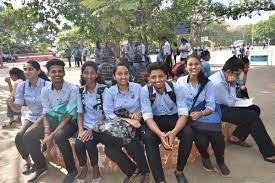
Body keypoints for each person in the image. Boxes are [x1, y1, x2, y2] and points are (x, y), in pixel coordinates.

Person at [209, 57, 275, 163]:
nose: (238, 76)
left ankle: (237, 137)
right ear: (229, 72)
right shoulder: (217, 83)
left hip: (224, 104)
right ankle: (269, 152)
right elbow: (230, 103)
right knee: (252, 116)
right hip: (216, 110)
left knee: (255, 109)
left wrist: (242, 100)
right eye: (237, 74)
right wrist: (232, 85)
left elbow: (231, 99)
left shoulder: (224, 76)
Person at [23, 59, 79, 183]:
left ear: (64, 73)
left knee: (59, 137)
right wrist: (47, 133)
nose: (57, 74)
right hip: (53, 119)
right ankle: (41, 166)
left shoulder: (72, 89)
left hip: (70, 121)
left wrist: (52, 135)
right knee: (27, 136)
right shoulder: (45, 90)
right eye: (53, 72)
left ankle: (72, 170)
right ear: (48, 74)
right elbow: (47, 113)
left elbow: (69, 115)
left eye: (60, 71)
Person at [177, 55, 230, 176]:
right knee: (201, 138)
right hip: (188, 116)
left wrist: (201, 113)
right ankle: (205, 157)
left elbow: (211, 106)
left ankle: (220, 161)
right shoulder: (180, 82)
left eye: (196, 64)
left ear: (200, 66)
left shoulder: (208, 83)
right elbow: (178, 100)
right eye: (190, 64)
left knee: (216, 135)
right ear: (186, 67)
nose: (193, 67)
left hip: (204, 114)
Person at [140, 62, 193, 183]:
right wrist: (160, 134)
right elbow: (147, 117)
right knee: (148, 137)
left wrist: (174, 132)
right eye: (153, 77)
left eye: (161, 76)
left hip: (174, 118)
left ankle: (179, 171)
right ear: (148, 78)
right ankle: (160, 180)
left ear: (166, 76)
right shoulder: (145, 91)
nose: (157, 80)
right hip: (155, 120)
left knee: (188, 133)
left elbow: (184, 113)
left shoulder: (176, 88)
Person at [103, 63, 150, 183]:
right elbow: (109, 114)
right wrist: (128, 121)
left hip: (138, 124)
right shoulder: (110, 92)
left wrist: (139, 112)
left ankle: (145, 171)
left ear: (129, 75)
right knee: (109, 149)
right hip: (118, 125)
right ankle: (132, 170)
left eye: (126, 73)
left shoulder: (138, 88)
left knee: (132, 141)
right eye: (119, 74)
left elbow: (145, 105)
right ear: (114, 77)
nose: (123, 76)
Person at [6, 61, 50, 175]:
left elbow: (50, 109)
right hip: (30, 117)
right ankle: (28, 162)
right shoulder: (22, 85)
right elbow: (17, 109)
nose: (27, 72)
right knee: (19, 137)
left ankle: (41, 165)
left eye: (30, 69)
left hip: (45, 117)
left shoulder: (46, 85)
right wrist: (11, 104)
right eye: (25, 69)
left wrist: (37, 125)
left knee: (28, 137)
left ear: (38, 71)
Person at [75, 62, 106, 183]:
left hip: (100, 126)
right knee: (78, 143)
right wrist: (81, 130)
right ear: (82, 74)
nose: (89, 75)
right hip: (86, 125)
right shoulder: (80, 91)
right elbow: (80, 113)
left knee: (89, 142)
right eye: (86, 73)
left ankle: (95, 168)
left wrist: (91, 130)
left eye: (92, 73)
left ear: (96, 74)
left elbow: (105, 113)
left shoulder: (103, 89)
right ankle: (84, 167)